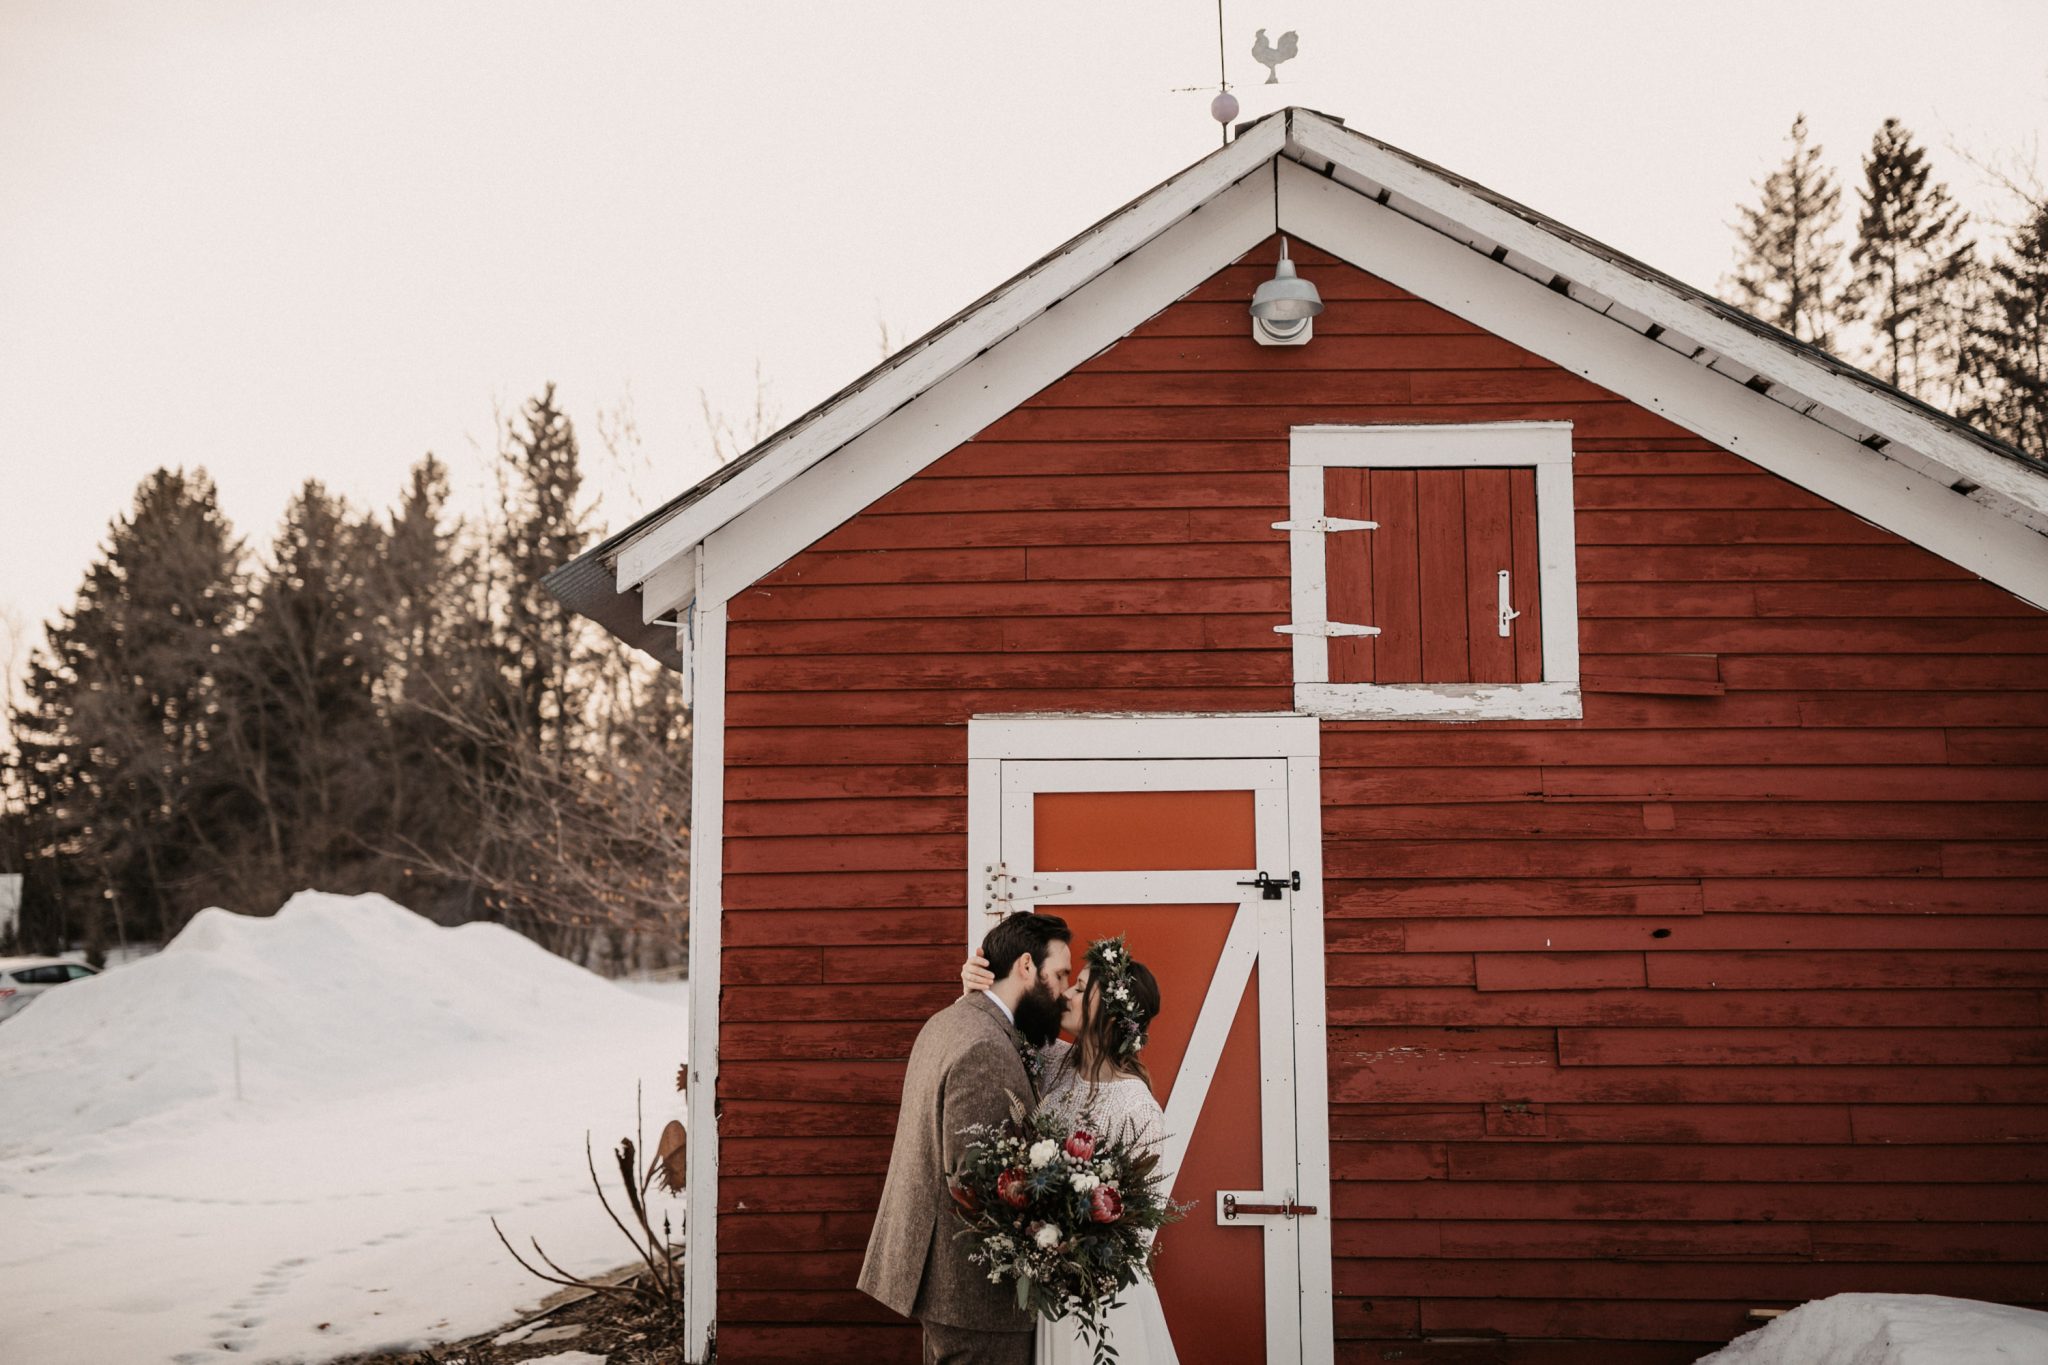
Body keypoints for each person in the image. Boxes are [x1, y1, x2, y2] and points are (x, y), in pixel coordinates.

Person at [860, 912, 1073, 1365]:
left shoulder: (951, 1021)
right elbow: (978, 1183)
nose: (1062, 991)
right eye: (1058, 975)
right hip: (972, 1294)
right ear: (1026, 967)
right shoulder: (986, 1048)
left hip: (942, 1283)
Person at [960, 934, 1167, 1365]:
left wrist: (1064, 1253)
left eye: (1080, 987)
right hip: (1042, 1293)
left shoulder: (1138, 1108)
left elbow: (1138, 1234)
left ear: (1109, 1015)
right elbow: (997, 1024)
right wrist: (974, 987)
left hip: (1096, 1300)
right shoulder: (1054, 1062)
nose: (1065, 992)